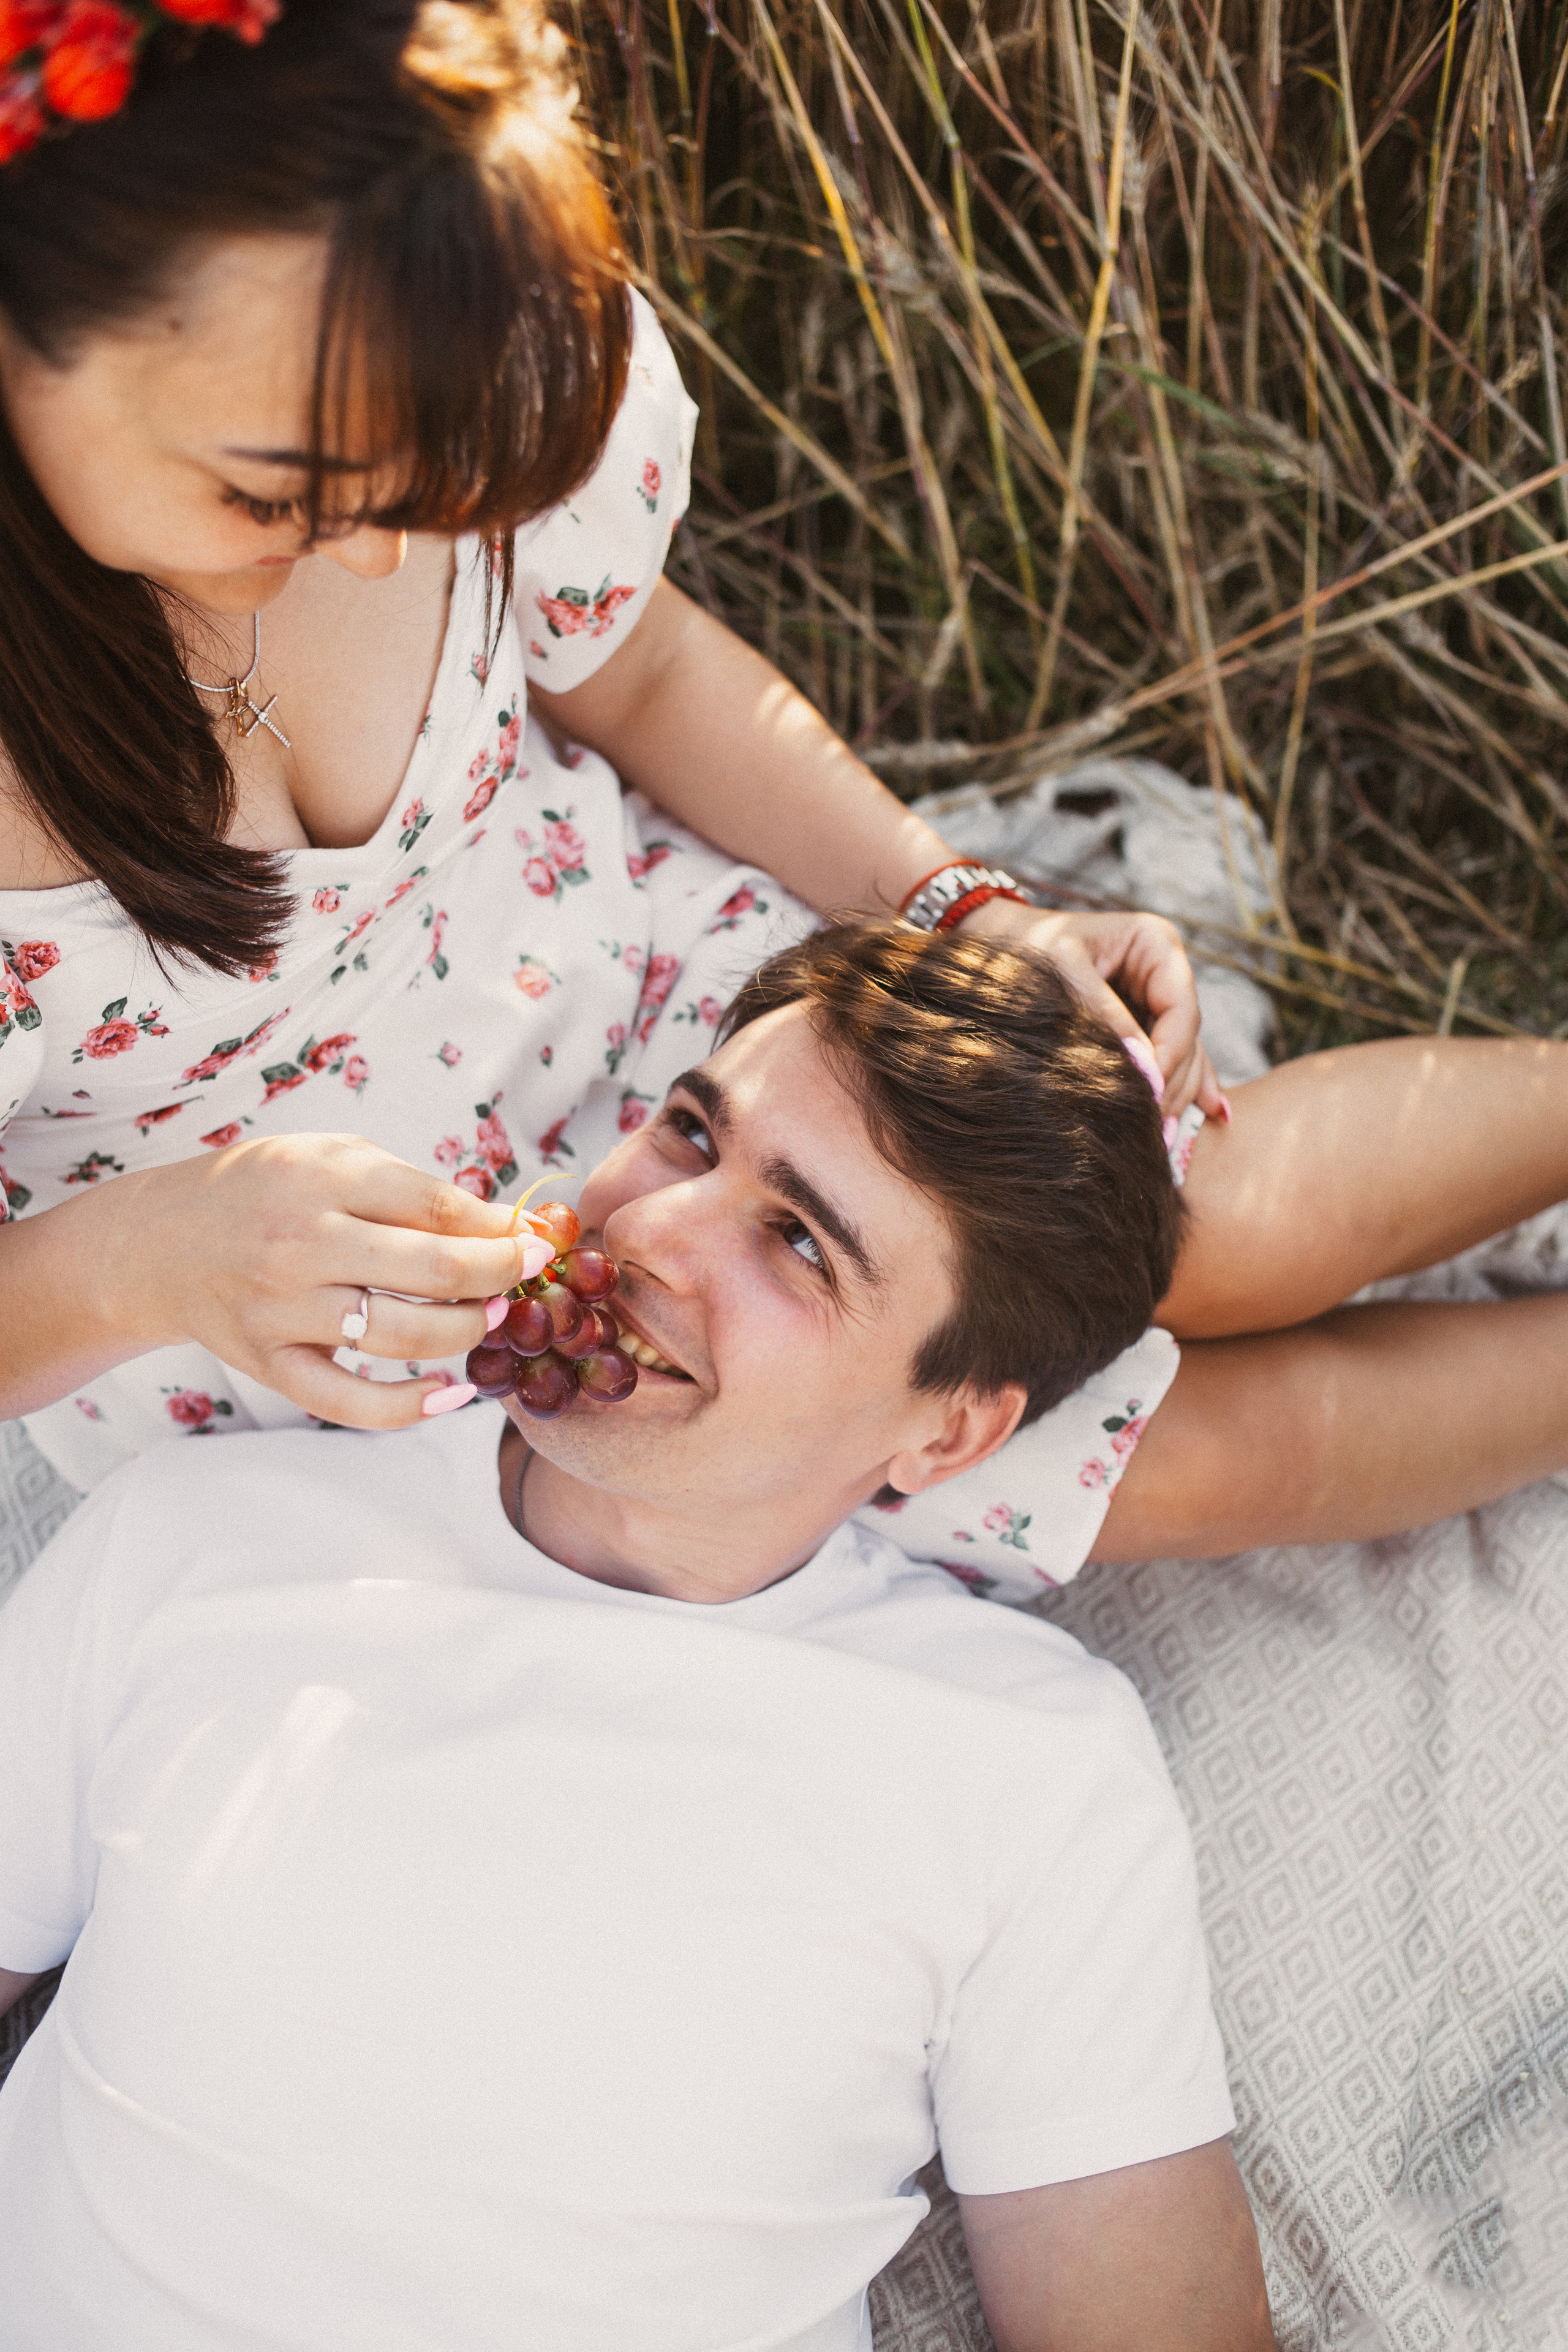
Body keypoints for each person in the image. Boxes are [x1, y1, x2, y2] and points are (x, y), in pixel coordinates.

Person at [0, 0, 1219, 1528]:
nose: (372, 555)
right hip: (321, 1329)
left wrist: (954, 902)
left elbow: (636, 671)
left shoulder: (450, 326)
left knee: (1194, 1211)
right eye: (272, 494)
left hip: (676, 1020)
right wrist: (155, 1260)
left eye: (423, 490)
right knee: (1182, 1461)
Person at [0, 926, 1272, 2352]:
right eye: (688, 1133)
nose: (647, 1232)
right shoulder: (201, 1533)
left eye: (798, 1243)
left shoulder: (1029, 1770)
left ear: (950, 1430)